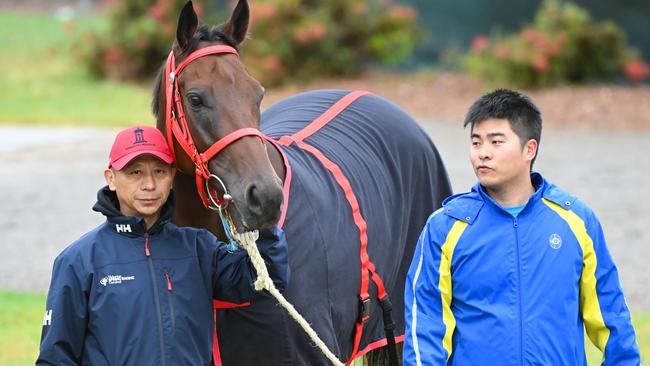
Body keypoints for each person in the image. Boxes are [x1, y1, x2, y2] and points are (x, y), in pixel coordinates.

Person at [404, 89, 641, 365]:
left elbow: (612, 318)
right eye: (476, 142)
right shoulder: (445, 227)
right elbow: (425, 328)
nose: (483, 154)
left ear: (530, 149)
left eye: (496, 142)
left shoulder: (576, 220)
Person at [36, 125, 289, 365]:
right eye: (135, 172)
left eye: (159, 171)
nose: (149, 185)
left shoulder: (198, 248)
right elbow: (56, 357)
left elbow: (266, 281)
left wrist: (265, 222)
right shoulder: (78, 260)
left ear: (171, 178)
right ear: (111, 178)